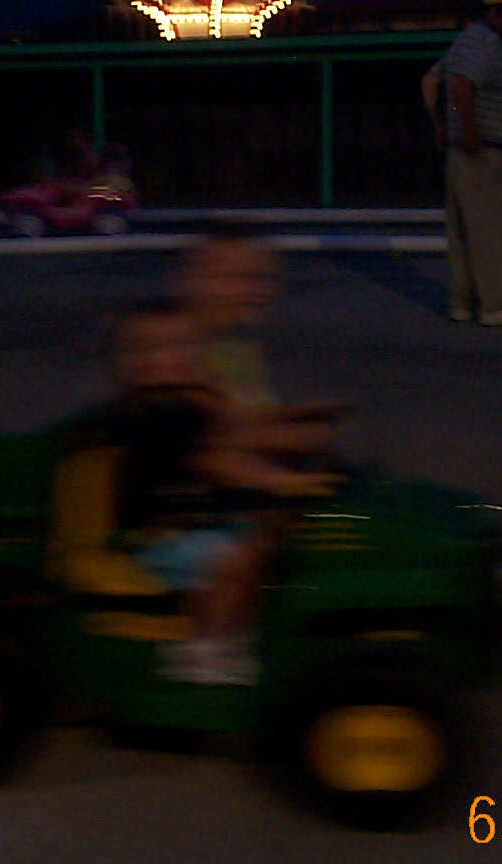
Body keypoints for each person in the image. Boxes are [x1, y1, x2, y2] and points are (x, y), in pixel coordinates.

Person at [106, 298, 339, 686]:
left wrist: (295, 422)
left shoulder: (187, 403)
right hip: (155, 537)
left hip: (192, 522)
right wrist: (282, 481)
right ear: (125, 362)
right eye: (147, 349)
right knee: (246, 550)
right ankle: (203, 649)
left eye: (179, 346)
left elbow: (236, 429)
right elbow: (213, 461)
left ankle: (242, 629)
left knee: (265, 529)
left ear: (199, 352)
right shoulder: (153, 413)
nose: (164, 358)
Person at [177, 224, 350, 457]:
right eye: (242, 278)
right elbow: (191, 444)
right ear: (192, 280)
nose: (260, 291)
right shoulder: (167, 356)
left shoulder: (235, 351)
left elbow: (242, 419)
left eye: (267, 278)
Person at [422, 0, 502, 327]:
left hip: (462, 153)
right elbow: (462, 85)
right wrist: (469, 132)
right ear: (495, 10)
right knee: (495, 231)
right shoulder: (485, 41)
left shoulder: (464, 41)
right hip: (484, 152)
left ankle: (463, 303)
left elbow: (430, 81)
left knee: (464, 232)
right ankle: (495, 306)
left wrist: (442, 125)